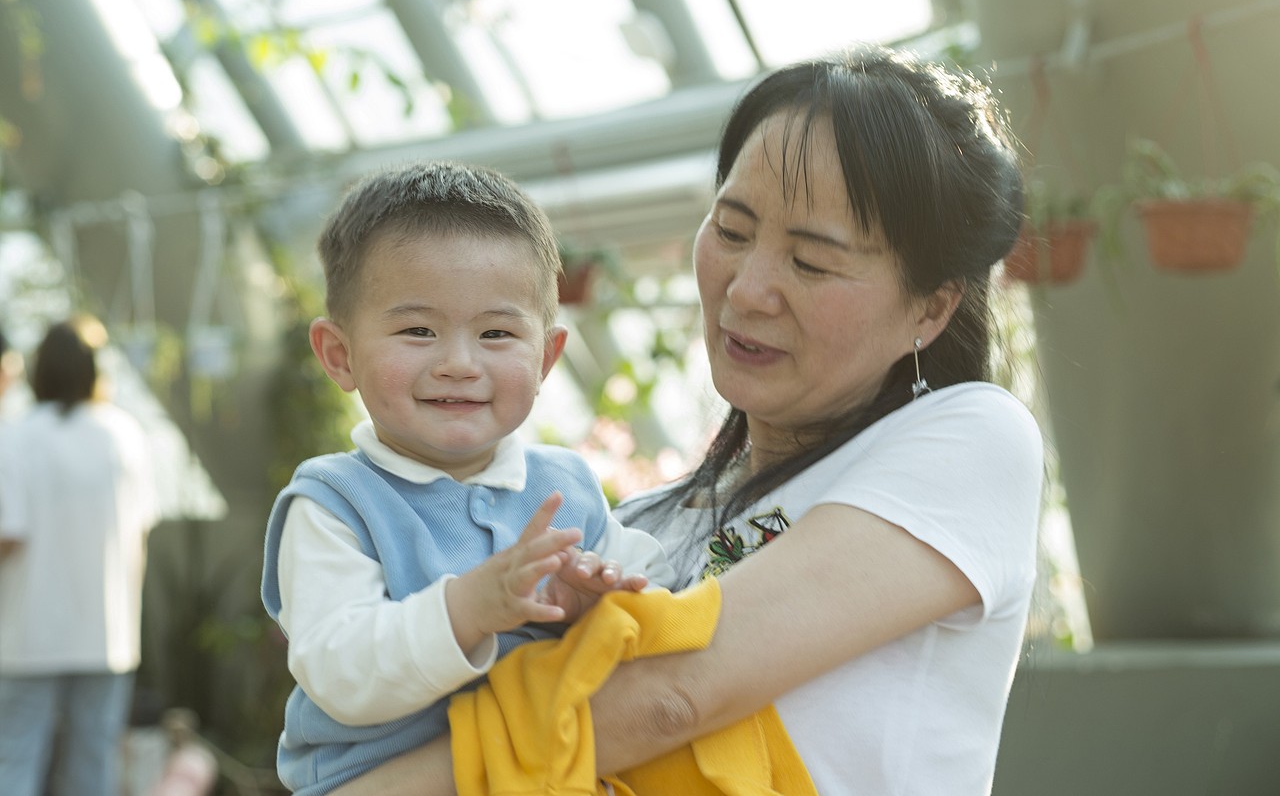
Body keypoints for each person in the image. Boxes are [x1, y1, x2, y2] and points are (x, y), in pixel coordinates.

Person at [330, 42, 1044, 796]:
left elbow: (672, 693)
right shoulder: (641, 528)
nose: (748, 288)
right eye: (732, 230)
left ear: (931, 306)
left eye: (810, 261)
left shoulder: (974, 438)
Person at [259, 160, 676, 794]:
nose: (459, 363)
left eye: (497, 332)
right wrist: (470, 608)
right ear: (339, 355)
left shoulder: (567, 485)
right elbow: (339, 670)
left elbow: (663, 597)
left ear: (546, 357)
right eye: (418, 330)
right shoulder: (334, 505)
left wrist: (599, 604)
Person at [0, 315, 159, 796]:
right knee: (92, 764)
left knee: (15, 760)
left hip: (27, 632)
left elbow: (9, 536)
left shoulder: (17, 436)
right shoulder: (124, 435)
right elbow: (143, 528)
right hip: (105, 631)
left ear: (37, 371)